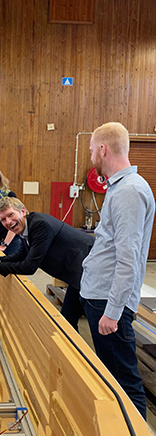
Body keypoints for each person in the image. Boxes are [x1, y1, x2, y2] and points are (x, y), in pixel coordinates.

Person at [79, 122, 155, 419]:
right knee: (113, 376)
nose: (90, 157)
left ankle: (133, 428)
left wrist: (112, 312)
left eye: (91, 151)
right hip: (100, 295)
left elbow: (129, 258)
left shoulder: (128, 192)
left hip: (108, 302)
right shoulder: (120, 187)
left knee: (124, 381)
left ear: (103, 149)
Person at [0, 197, 95, 330]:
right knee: (67, 319)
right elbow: (22, 254)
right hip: (77, 273)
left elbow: (29, 266)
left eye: (11, 215)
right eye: (3, 219)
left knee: (98, 323)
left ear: (23, 211)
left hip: (92, 270)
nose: (8, 222)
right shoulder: (27, 225)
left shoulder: (40, 225)